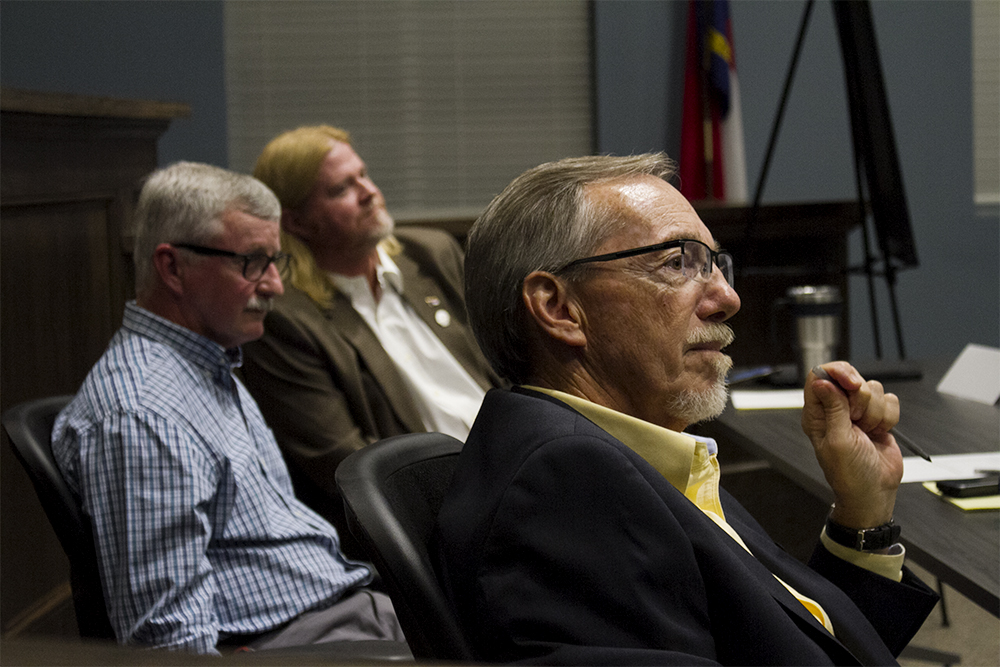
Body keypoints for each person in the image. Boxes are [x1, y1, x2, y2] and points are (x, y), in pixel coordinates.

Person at [431, 154, 939, 665]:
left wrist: (863, 515)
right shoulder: (568, 484)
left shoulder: (633, 452)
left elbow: (795, 645)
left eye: (717, 264)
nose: (728, 297)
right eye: (678, 263)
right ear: (560, 309)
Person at [52, 162, 406, 655]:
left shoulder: (207, 363)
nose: (274, 286)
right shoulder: (143, 415)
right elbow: (166, 638)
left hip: (341, 608)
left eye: (274, 260)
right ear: (172, 267)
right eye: (251, 263)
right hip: (292, 642)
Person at [242, 125, 499, 553]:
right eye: (342, 188)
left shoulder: (431, 254)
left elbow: (508, 368)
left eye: (363, 174)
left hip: (518, 463)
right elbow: (346, 465)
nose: (369, 192)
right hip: (443, 516)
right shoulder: (285, 320)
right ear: (298, 221)